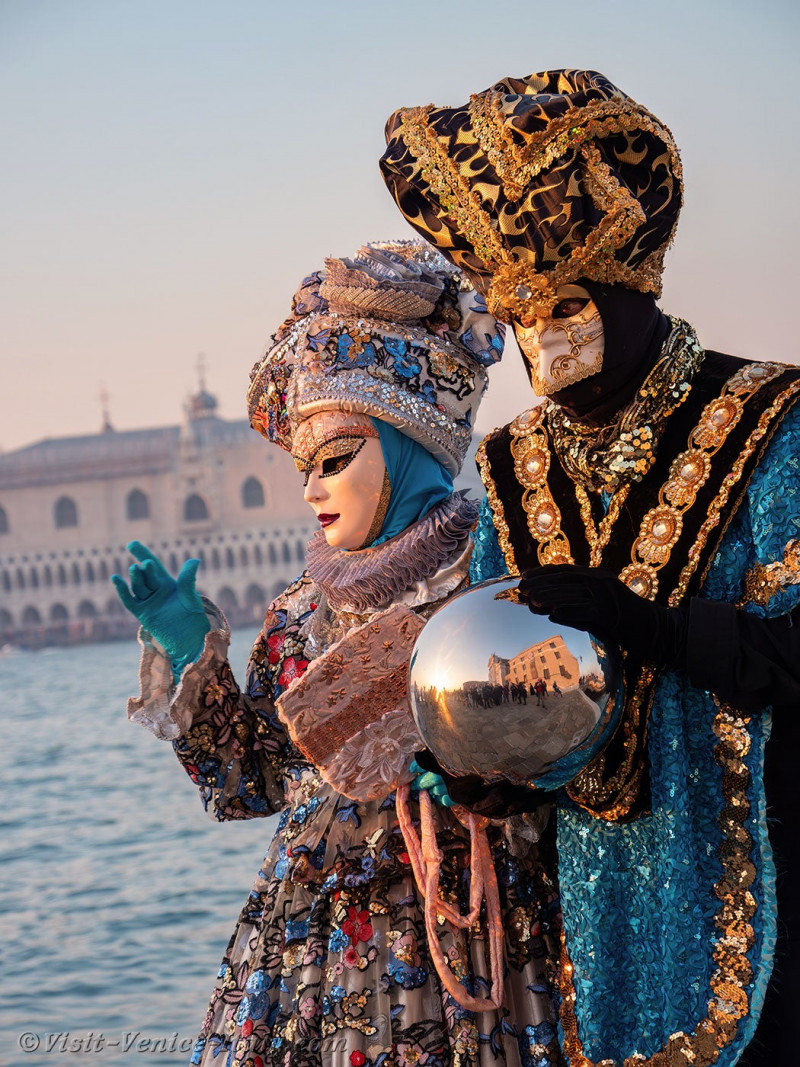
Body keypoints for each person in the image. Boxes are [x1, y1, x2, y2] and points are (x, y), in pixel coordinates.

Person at [380, 70, 800, 1066]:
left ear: (629, 284)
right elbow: (516, 700)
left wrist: (648, 623)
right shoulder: (510, 464)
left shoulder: (771, 420)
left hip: (771, 888)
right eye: (514, 313)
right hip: (600, 921)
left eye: (560, 306)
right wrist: (487, 778)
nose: (541, 342)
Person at [112, 242, 564, 1067]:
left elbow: (574, 750)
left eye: (333, 461)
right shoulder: (299, 611)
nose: (312, 489)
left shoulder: (504, 582)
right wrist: (190, 654)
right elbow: (248, 780)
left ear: (408, 445)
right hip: (316, 961)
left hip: (477, 941)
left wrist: (495, 775)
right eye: (303, 468)